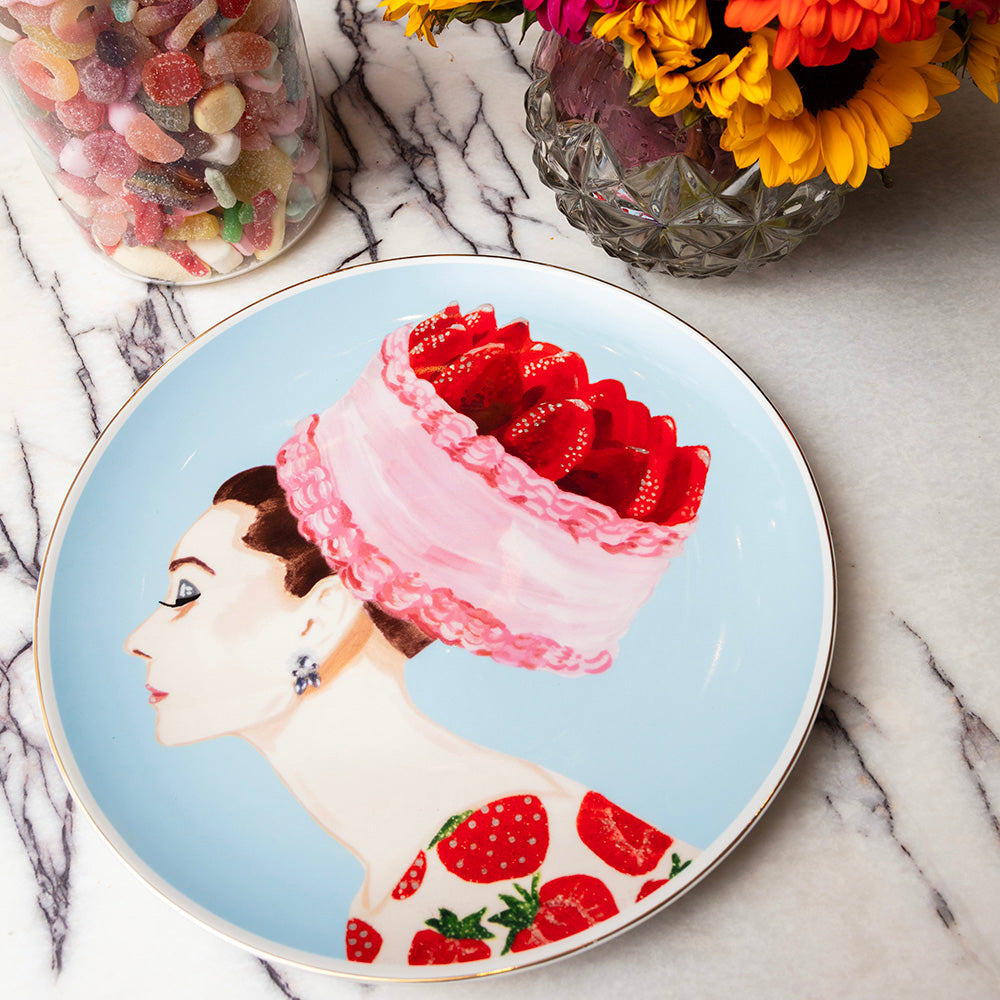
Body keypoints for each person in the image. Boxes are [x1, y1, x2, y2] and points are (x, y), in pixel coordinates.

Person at [125, 303, 710, 967]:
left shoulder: (505, 858)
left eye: (186, 594)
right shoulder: (402, 887)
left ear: (319, 617)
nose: (137, 638)